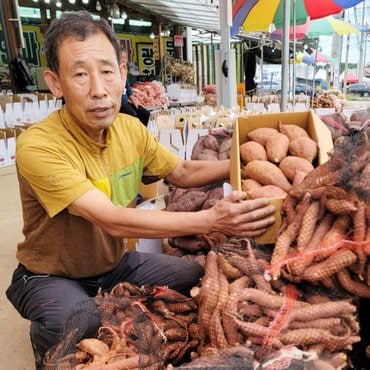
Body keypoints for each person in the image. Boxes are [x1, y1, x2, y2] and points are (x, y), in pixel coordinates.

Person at [5, 10, 276, 369]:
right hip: (50, 273)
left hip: (113, 266)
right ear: (55, 83)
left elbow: (181, 170)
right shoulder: (38, 146)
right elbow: (113, 221)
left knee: (192, 275)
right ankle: (48, 350)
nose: (98, 90)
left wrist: (242, 165)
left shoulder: (130, 129)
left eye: (106, 71)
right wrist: (213, 219)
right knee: (76, 323)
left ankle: (110, 306)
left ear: (122, 71)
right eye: (81, 75)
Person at [119, 49, 150, 126]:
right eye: (121, 57)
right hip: (119, 105)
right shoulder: (114, 71)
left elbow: (128, 88)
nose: (124, 60)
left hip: (126, 103)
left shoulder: (124, 71)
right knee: (133, 115)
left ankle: (143, 133)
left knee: (145, 114)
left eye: (125, 58)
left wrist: (135, 101)